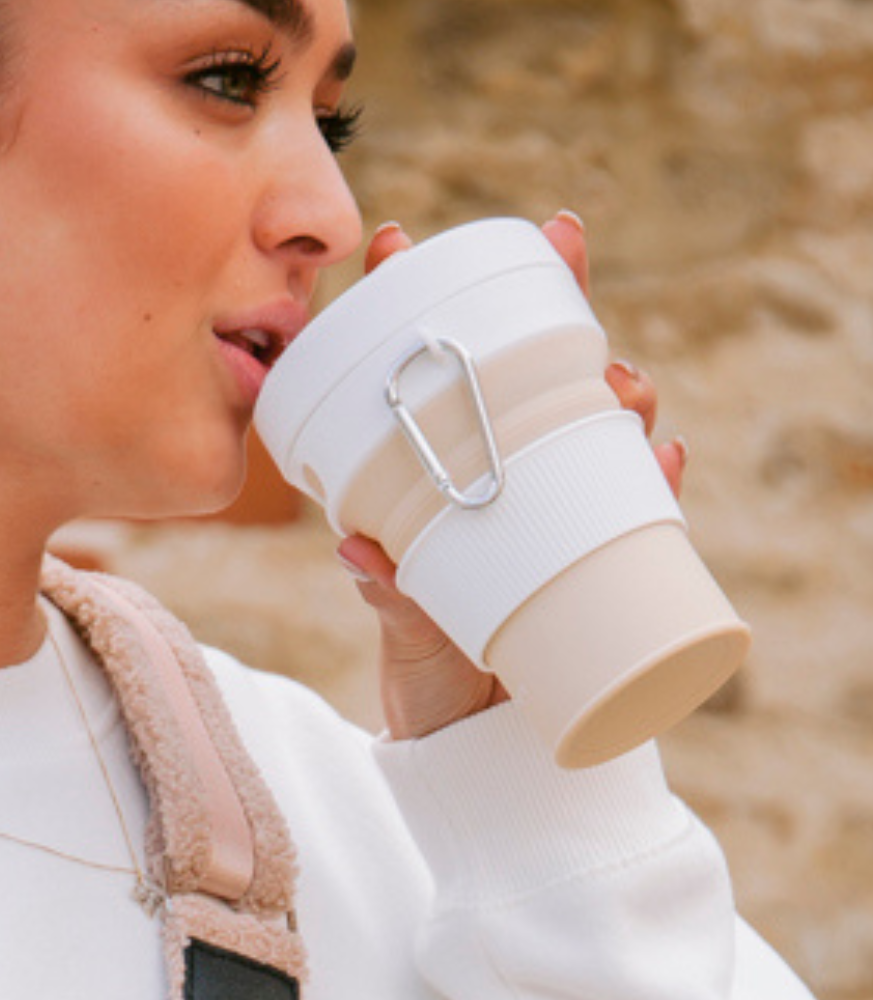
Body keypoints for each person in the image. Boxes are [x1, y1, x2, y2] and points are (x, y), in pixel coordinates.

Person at [0, 0, 817, 997]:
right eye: (225, 80)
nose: (333, 219)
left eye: (328, 120)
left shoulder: (292, 828)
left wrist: (542, 801)